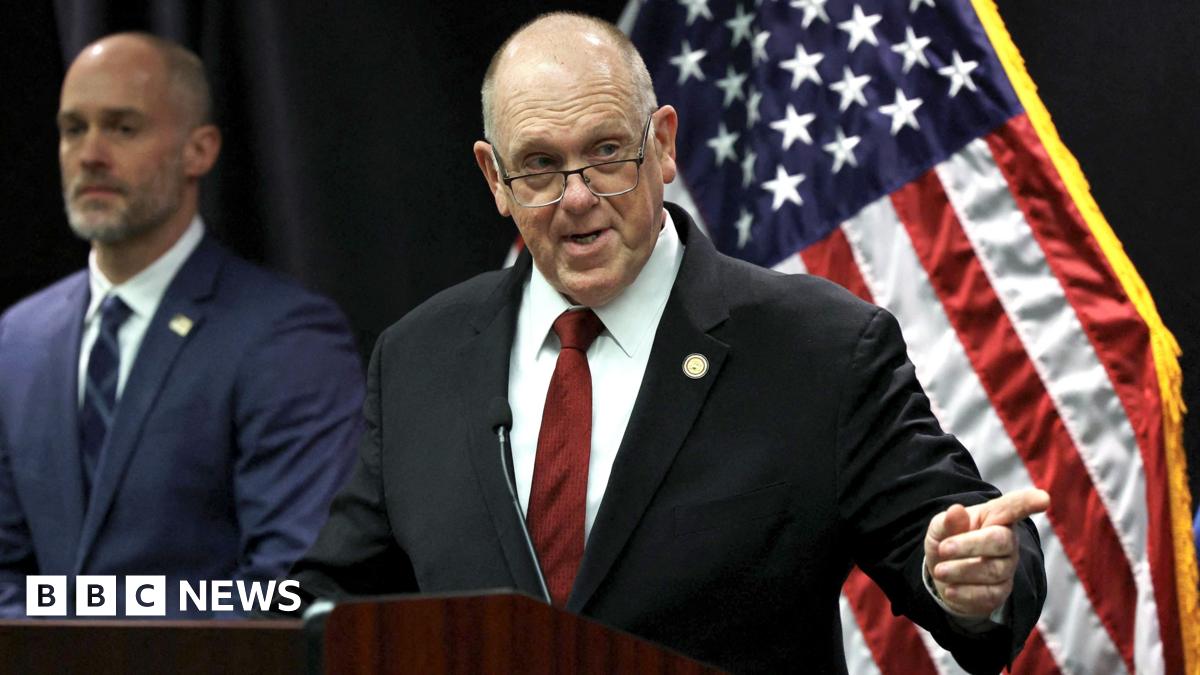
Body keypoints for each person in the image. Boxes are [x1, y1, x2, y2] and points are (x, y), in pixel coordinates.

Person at [285, 12, 1047, 672]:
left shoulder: (821, 348)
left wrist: (973, 579)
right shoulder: (419, 355)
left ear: (664, 143)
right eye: (541, 166)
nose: (578, 197)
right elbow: (333, 602)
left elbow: (955, 535)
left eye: (608, 152)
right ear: (494, 177)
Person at [0, 33, 364, 617]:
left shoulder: (286, 338)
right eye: (74, 128)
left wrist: (88, 636)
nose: (90, 153)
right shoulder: (17, 339)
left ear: (200, 149)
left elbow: (286, 587)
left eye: (122, 128)